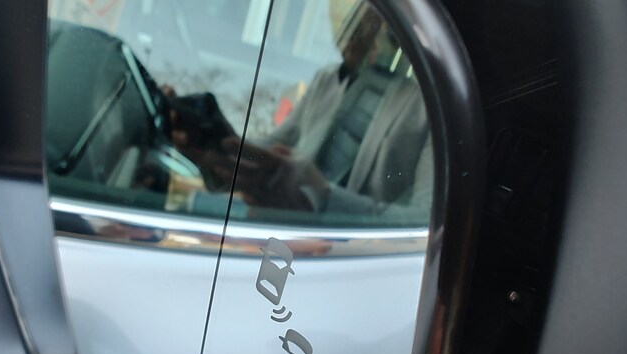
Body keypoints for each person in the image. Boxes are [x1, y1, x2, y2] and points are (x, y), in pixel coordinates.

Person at [171, 6, 433, 225]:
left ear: (387, 28)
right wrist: (218, 144)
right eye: (342, 21)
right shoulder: (327, 79)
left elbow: (425, 220)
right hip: (283, 228)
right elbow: (275, 145)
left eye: (364, 22)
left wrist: (325, 197)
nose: (346, 32)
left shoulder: (431, 111)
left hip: (352, 255)